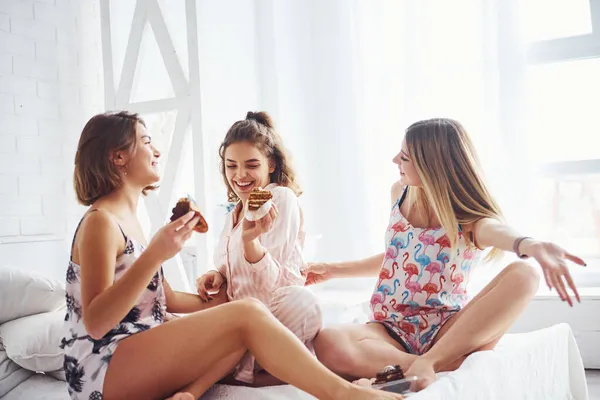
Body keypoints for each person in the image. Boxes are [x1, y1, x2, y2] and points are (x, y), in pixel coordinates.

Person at [61, 111, 403, 400]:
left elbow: (163, 302)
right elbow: (95, 322)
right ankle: (345, 394)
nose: (157, 151)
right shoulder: (100, 223)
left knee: (242, 319)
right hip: (103, 367)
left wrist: (217, 299)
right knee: (247, 314)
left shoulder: (131, 220)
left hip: (136, 350)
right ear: (118, 156)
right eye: (146, 141)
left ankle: (198, 390)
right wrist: (155, 256)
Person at [302, 118, 585, 391]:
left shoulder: (468, 220)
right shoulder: (400, 193)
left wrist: (532, 245)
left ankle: (430, 362)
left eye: (404, 157)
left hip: (447, 332)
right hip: (390, 329)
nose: (394, 162)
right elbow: (398, 257)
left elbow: (500, 232)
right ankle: (425, 369)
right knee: (329, 341)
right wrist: (332, 269)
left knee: (526, 273)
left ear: (430, 165)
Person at [195, 111, 321, 386]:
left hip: (275, 312)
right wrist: (218, 275)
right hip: (240, 319)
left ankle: (251, 368)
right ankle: (253, 366)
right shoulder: (234, 213)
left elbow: (268, 283)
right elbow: (234, 273)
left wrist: (250, 243)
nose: (240, 175)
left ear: (271, 164)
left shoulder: (280, 199)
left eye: (251, 165)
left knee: (303, 301)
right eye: (231, 166)